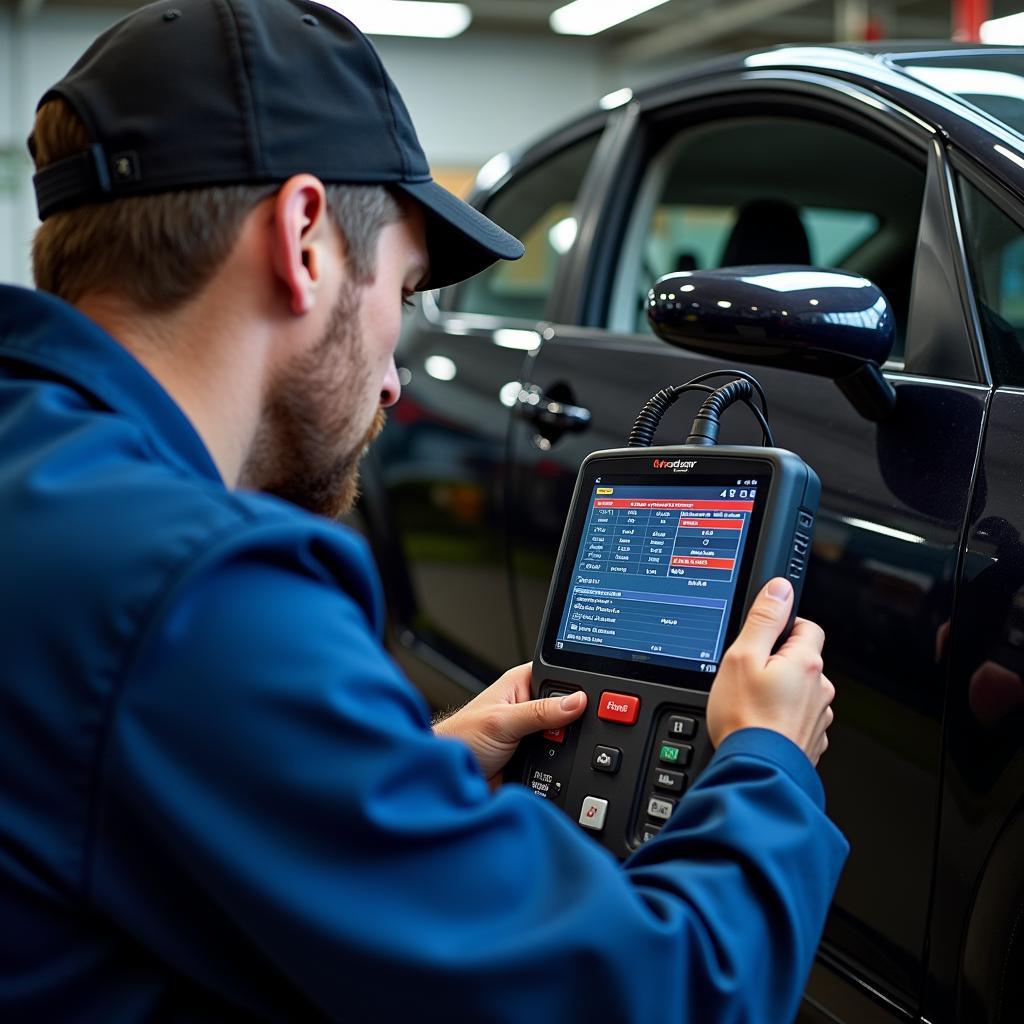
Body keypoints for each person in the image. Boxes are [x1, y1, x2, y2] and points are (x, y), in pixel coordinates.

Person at [0, 1, 846, 1020]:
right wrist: (766, 761)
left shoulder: (43, 473)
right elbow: (654, 992)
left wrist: (415, 772)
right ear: (303, 237)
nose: (398, 379)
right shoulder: (190, 590)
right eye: (400, 288)